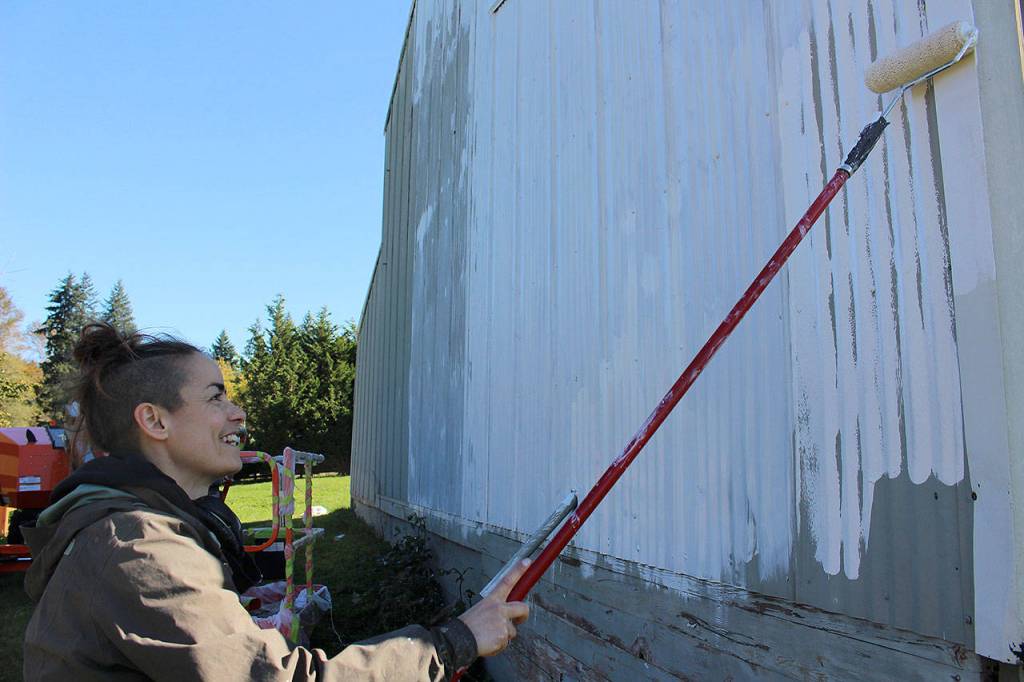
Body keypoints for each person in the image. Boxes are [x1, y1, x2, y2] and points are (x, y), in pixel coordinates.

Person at [22, 322, 530, 681]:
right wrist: (454, 641)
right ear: (156, 421)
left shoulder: (141, 530)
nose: (238, 414)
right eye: (216, 397)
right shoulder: (138, 547)